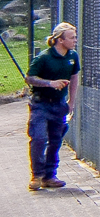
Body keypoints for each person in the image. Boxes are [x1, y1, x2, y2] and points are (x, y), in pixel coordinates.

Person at [26, 23, 79, 191]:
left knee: (56, 140)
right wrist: (50, 83)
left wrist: (71, 101)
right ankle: (37, 175)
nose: (75, 40)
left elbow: (74, 77)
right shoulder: (44, 57)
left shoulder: (72, 56)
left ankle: (49, 176)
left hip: (59, 105)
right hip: (41, 104)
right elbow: (29, 78)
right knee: (39, 138)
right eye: (71, 38)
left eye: (75, 37)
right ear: (60, 40)